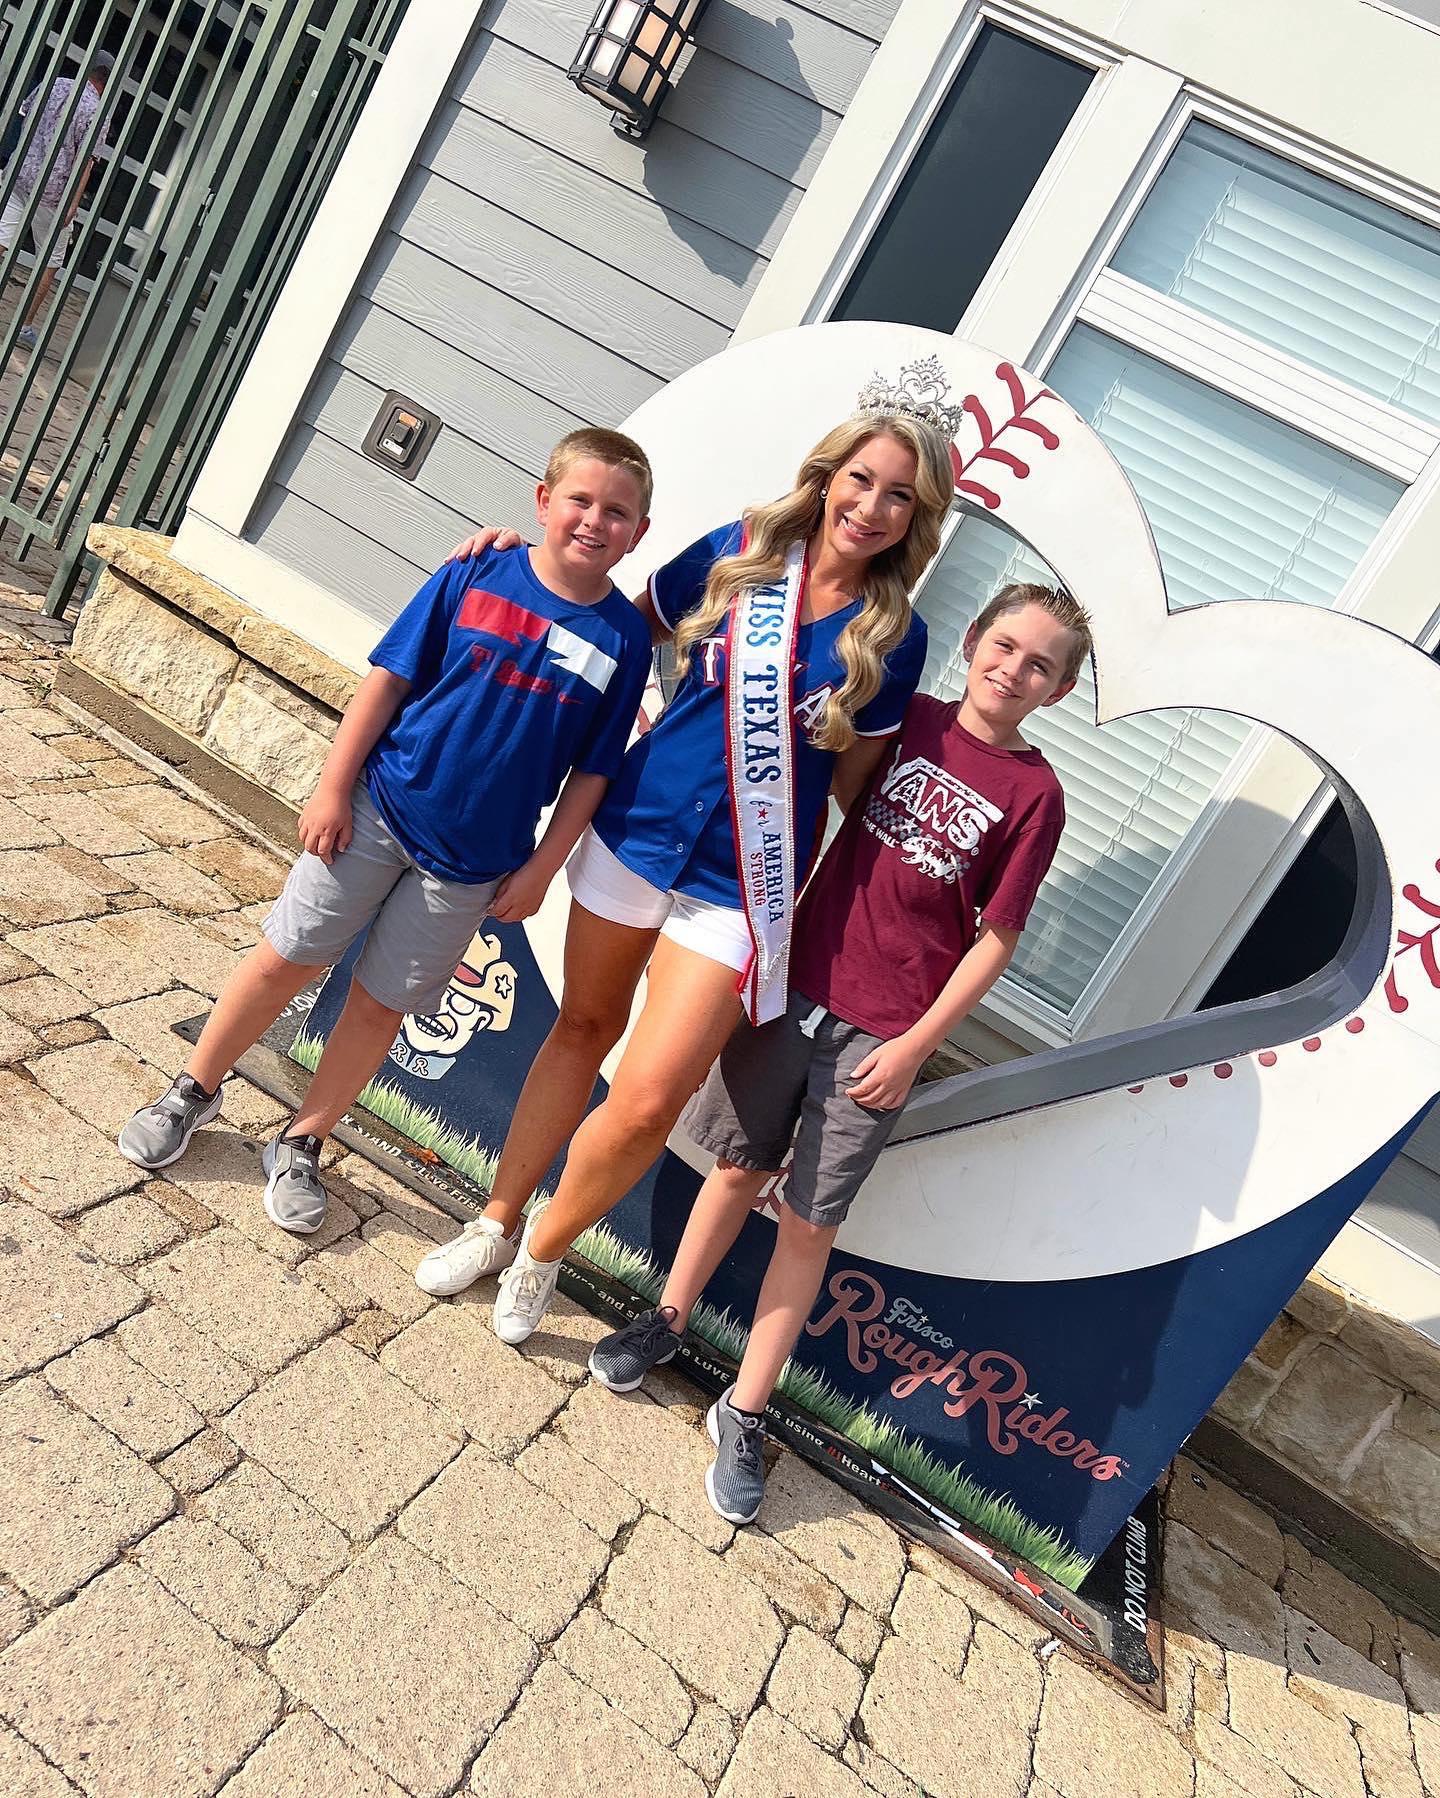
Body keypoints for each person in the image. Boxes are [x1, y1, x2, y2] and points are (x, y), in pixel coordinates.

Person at [414, 372, 957, 1350]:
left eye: (899, 498)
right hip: (636, 829)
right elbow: (617, 626)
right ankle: (494, 1220)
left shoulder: (895, 639)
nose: (872, 508)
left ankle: (545, 1248)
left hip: (742, 884)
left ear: (916, 521)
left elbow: (858, 789)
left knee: (653, 1093)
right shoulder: (742, 549)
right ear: (828, 476)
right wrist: (512, 561)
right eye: (863, 480)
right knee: (582, 1027)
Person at [586, 583, 1092, 1522]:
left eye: (1040, 665)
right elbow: (823, 796)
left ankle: (745, 1406)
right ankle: (666, 1317)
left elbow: (996, 938)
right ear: (975, 639)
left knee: (810, 1220)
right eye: (1006, 644)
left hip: (883, 1035)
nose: (1014, 669)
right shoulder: (911, 723)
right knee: (735, 1168)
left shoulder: (1038, 797)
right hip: (795, 985)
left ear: (1056, 692)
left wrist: (915, 1048)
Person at [116, 428, 655, 1232]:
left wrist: (543, 867)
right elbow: (387, 679)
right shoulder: (475, 571)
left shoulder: (624, 640)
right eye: (580, 499)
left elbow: (595, 773)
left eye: (618, 512)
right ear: (544, 502)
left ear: (638, 533)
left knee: (379, 1006)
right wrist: (333, 786)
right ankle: (193, 1088)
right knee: (286, 958)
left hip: (473, 866)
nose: (594, 520)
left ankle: (302, 1140)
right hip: (376, 812)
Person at [1, 53, 113, 351]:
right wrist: (73, 204)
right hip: (52, 194)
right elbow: (86, 163)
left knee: (1, 238)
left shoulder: (54, 84)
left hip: (20, 174)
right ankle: (23, 326)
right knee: (50, 261)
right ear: (106, 80)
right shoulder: (95, 110)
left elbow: (24, 117)